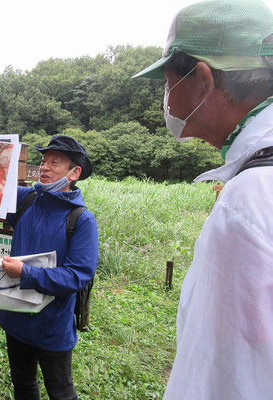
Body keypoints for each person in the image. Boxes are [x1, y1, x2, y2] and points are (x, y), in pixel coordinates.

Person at [133, 0, 273, 398]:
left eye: (168, 81)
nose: (166, 95)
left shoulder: (246, 205)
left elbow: (217, 382)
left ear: (203, 81)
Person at [0, 132, 98, 400]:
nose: (44, 167)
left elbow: (79, 275)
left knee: (61, 392)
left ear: (74, 173)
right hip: (16, 316)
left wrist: (26, 273)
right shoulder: (27, 199)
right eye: (43, 160)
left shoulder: (81, 220)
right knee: (23, 385)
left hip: (52, 325)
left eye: (55, 162)